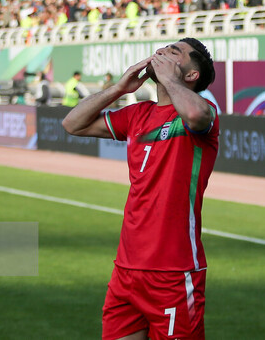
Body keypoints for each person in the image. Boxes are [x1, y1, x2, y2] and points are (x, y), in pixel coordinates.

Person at [62, 38, 218, 340]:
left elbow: (197, 116)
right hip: (126, 270)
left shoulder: (201, 113)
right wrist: (120, 89)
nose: (161, 51)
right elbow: (72, 124)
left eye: (175, 52)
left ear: (191, 75)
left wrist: (171, 83)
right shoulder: (137, 115)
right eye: (164, 48)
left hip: (174, 271)